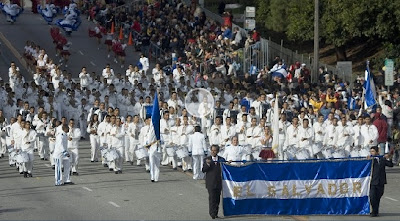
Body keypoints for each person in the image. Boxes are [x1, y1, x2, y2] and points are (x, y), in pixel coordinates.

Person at [368, 146, 393, 217]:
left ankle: (375, 211)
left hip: (381, 181)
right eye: (371, 151)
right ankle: (374, 211)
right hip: (372, 181)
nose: (371, 153)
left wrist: (388, 158)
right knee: (372, 197)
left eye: (373, 151)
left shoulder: (382, 159)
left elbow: (390, 165)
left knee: (378, 197)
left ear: (377, 152)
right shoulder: (370, 160)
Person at [202, 145, 225, 219]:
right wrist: (208, 164)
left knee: (217, 199)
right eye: (212, 150)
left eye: (215, 150)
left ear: (217, 151)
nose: (213, 152)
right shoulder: (207, 159)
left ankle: (216, 212)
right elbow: (203, 170)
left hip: (218, 182)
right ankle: (212, 213)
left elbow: (225, 168)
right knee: (212, 198)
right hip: (211, 182)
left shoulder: (221, 159)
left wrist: (228, 163)